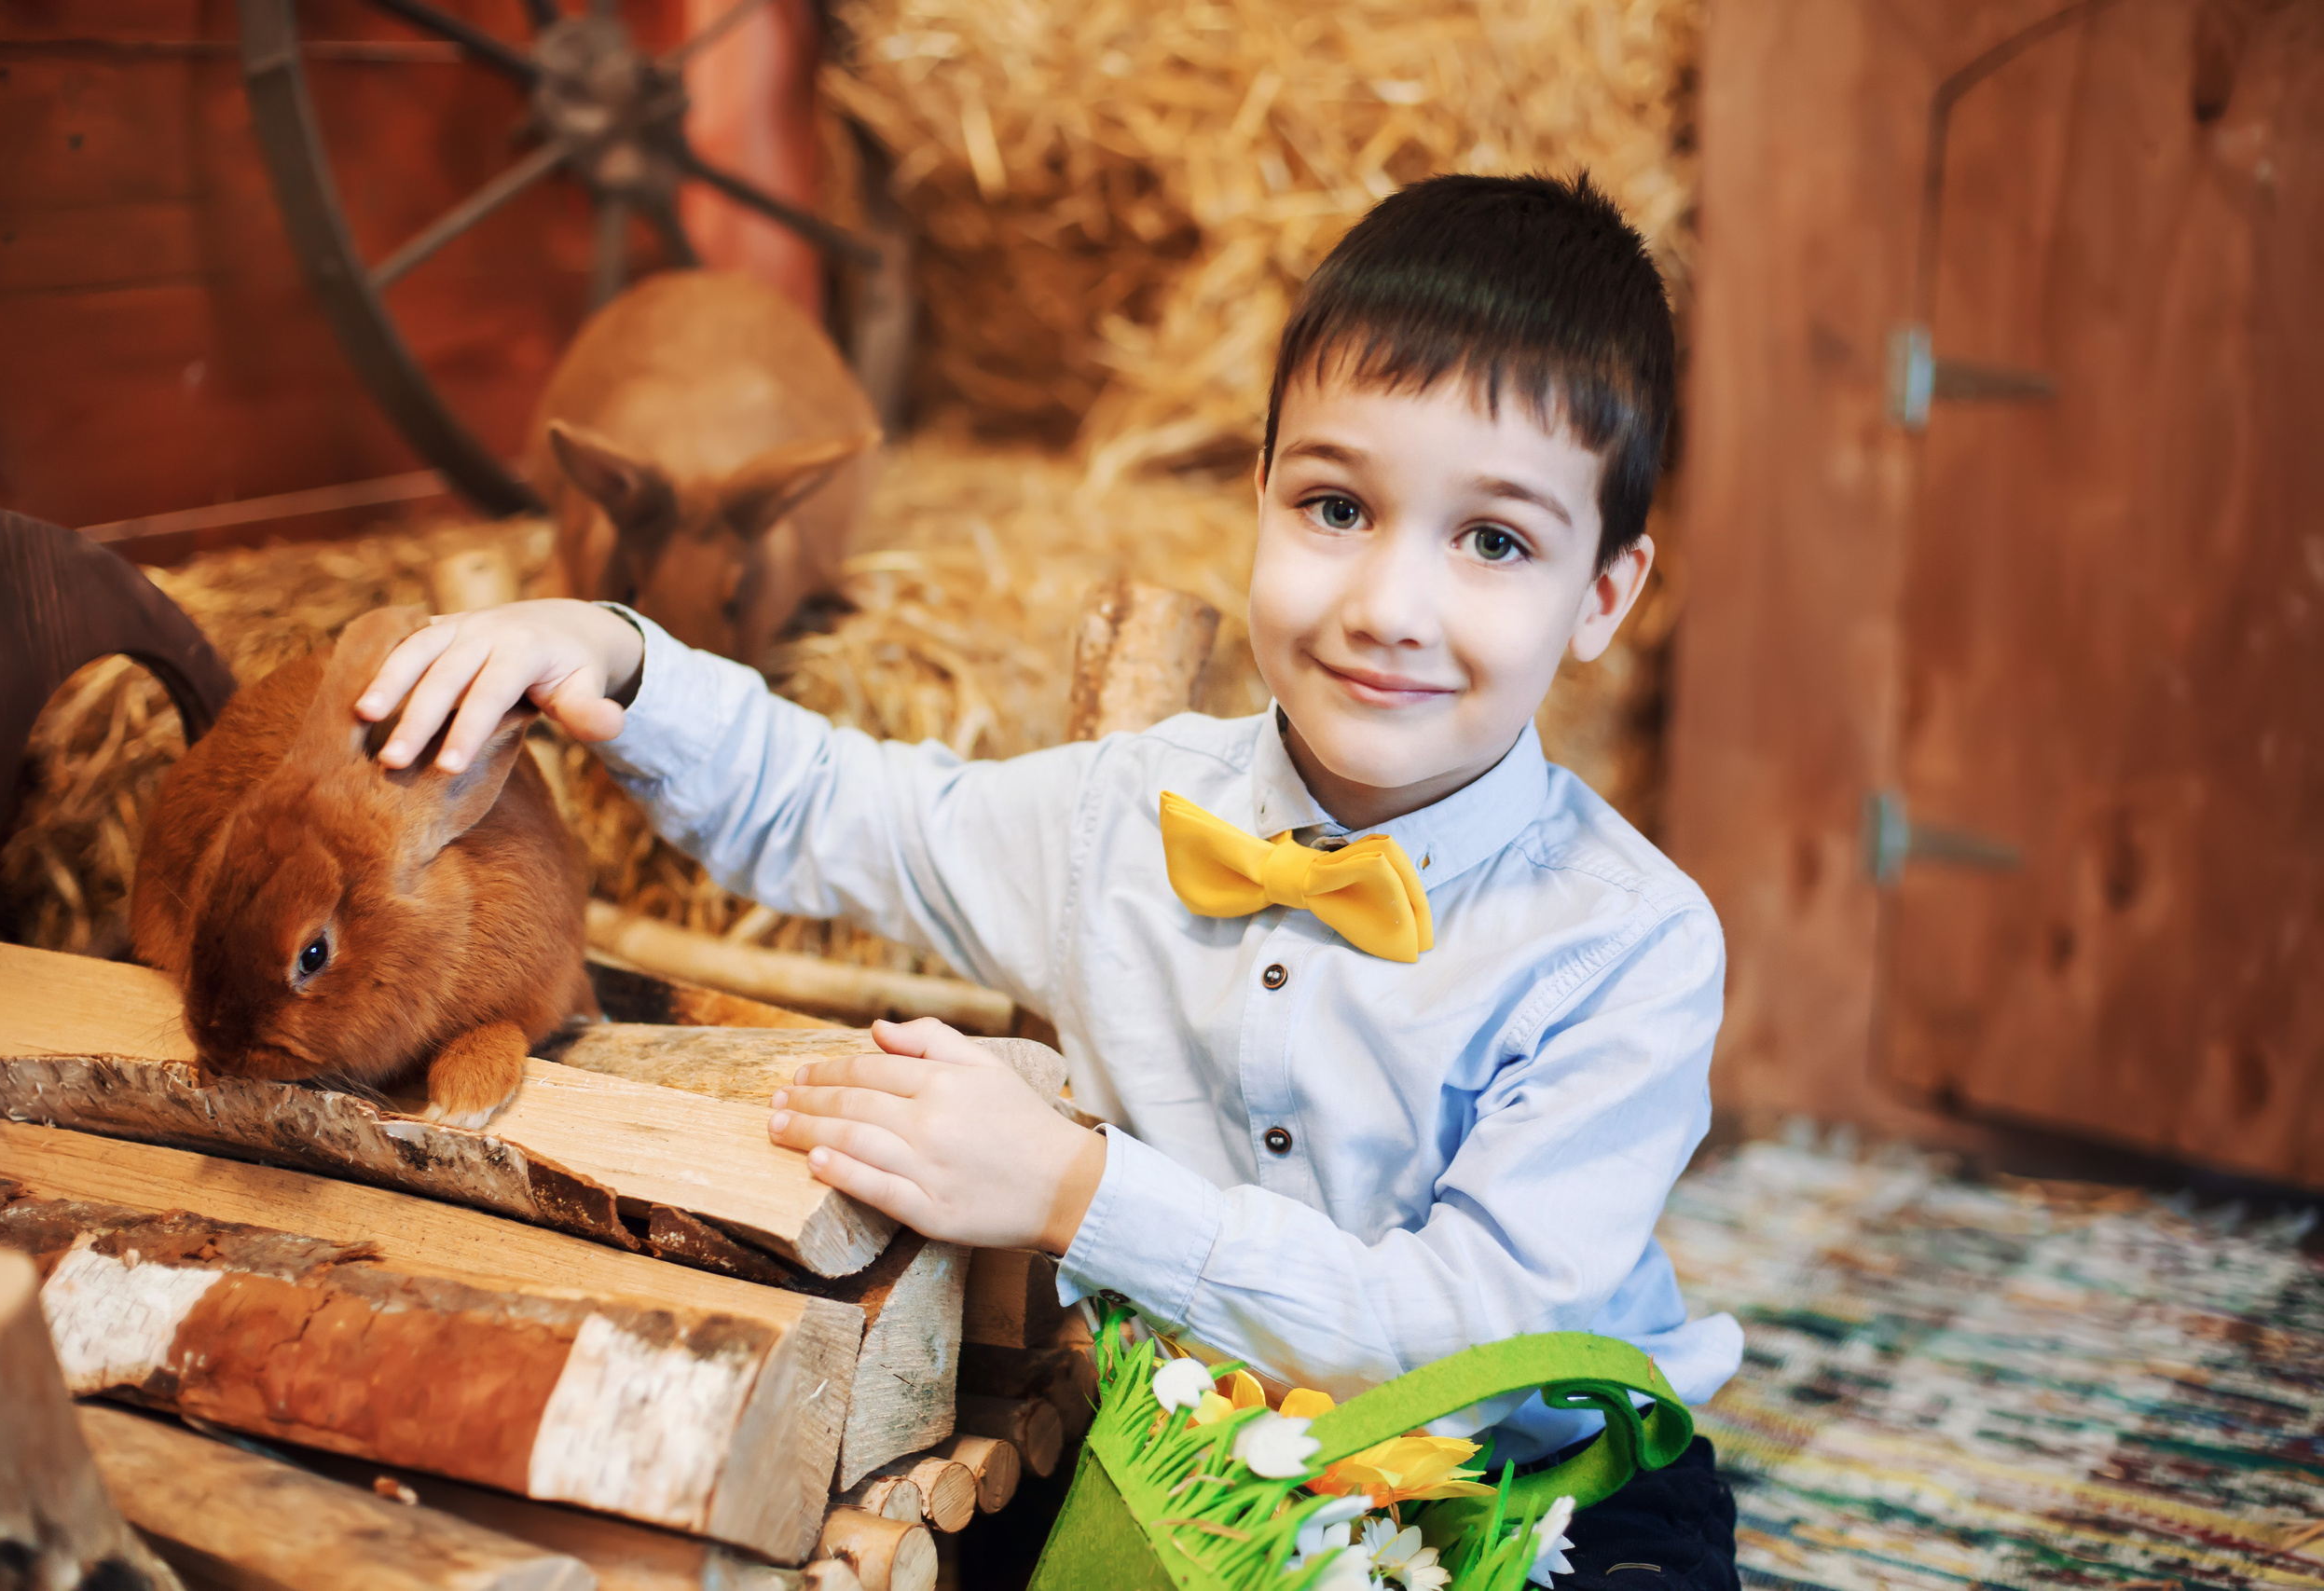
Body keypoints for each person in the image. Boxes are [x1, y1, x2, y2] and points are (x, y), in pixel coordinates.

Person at [357, 171, 1740, 1587]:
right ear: (1257, 492)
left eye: (1494, 541)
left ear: (1606, 597)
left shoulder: (1627, 949)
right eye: (1335, 506)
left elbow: (1473, 1344)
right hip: (1174, 1453)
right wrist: (613, 656)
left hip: (1536, 1480)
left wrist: (1078, 1192)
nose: (1388, 605)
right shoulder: (1122, 820)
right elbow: (849, 809)